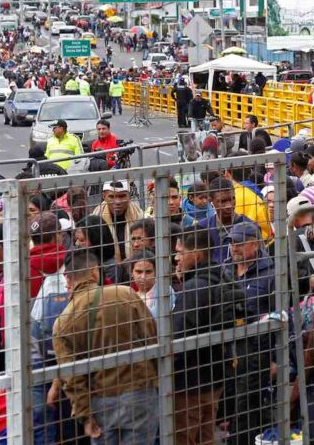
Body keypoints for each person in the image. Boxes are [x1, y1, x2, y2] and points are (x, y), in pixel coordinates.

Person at [52, 249, 159, 444]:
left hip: (101, 401)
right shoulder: (125, 294)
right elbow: (152, 337)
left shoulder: (63, 322)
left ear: (67, 278)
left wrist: (85, 415)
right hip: (140, 392)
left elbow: (71, 376)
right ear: (95, 272)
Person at [172, 229, 239, 445]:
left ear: (197, 256)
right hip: (214, 378)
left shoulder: (194, 289)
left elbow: (179, 337)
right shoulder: (223, 277)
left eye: (181, 252)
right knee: (206, 438)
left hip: (189, 385)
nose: (176, 258)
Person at [222, 221, 274, 318]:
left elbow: (281, 314)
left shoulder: (271, 275)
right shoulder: (224, 270)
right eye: (231, 243)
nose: (234, 248)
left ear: (256, 245)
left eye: (239, 243)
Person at [91, 180, 144, 263]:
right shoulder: (95, 220)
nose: (118, 202)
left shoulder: (140, 216)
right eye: (112, 197)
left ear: (129, 196)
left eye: (122, 196)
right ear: (104, 196)